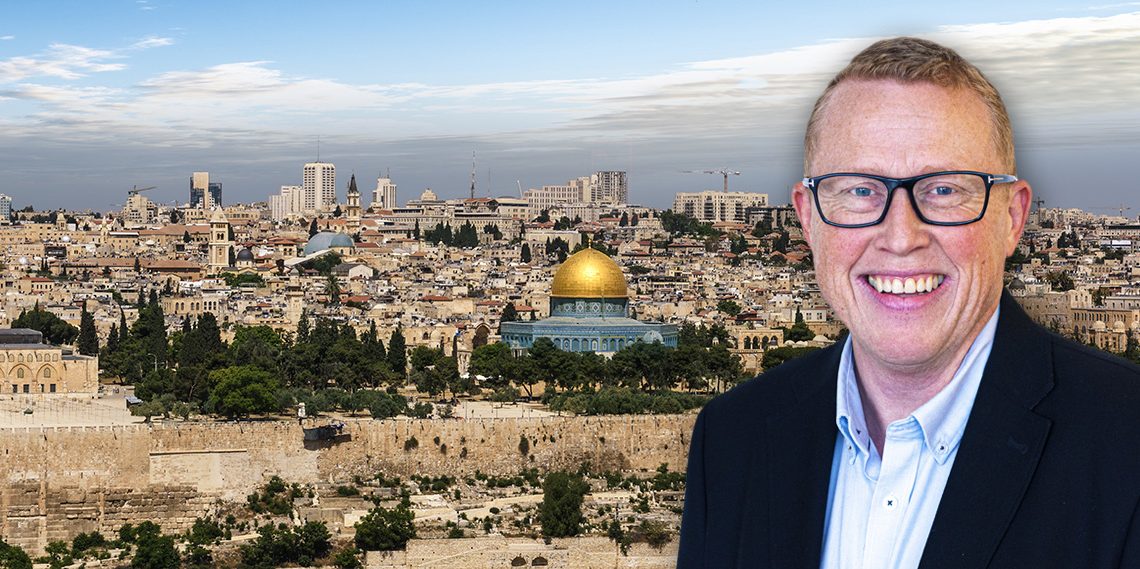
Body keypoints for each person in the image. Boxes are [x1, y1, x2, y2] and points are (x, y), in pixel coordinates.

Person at [677, 37, 1140, 569]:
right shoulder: (732, 440)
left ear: (1012, 218)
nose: (900, 236)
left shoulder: (1126, 445)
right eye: (858, 190)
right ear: (807, 218)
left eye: (944, 190)